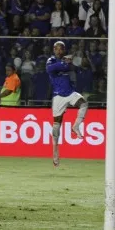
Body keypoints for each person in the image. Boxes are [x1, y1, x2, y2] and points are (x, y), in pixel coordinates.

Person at [46, 41, 88, 169]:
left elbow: (75, 67)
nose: (59, 51)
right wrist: (65, 63)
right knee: (56, 125)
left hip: (70, 92)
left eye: (61, 49)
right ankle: (55, 152)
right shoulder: (51, 60)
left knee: (84, 104)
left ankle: (76, 126)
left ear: (64, 50)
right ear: (54, 50)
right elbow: (51, 69)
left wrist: (70, 63)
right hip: (58, 95)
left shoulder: (66, 61)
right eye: (57, 49)